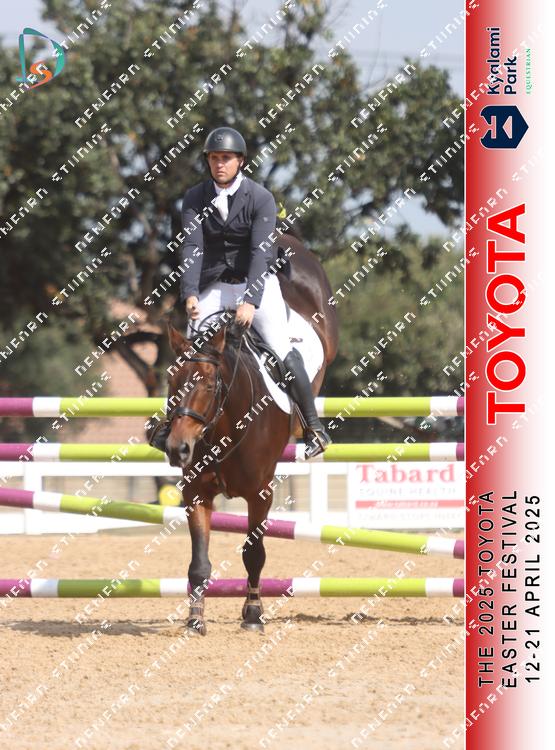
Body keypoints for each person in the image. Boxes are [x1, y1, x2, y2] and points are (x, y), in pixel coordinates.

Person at [151, 126, 330, 459]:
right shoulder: (194, 198)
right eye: (214, 158)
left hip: (256, 281)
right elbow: (192, 247)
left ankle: (313, 426)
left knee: (281, 347)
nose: (220, 164)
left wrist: (250, 300)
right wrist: (190, 293)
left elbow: (261, 252)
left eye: (226, 158)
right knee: (190, 357)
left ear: (240, 161)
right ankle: (168, 424)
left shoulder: (260, 198)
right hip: (214, 285)